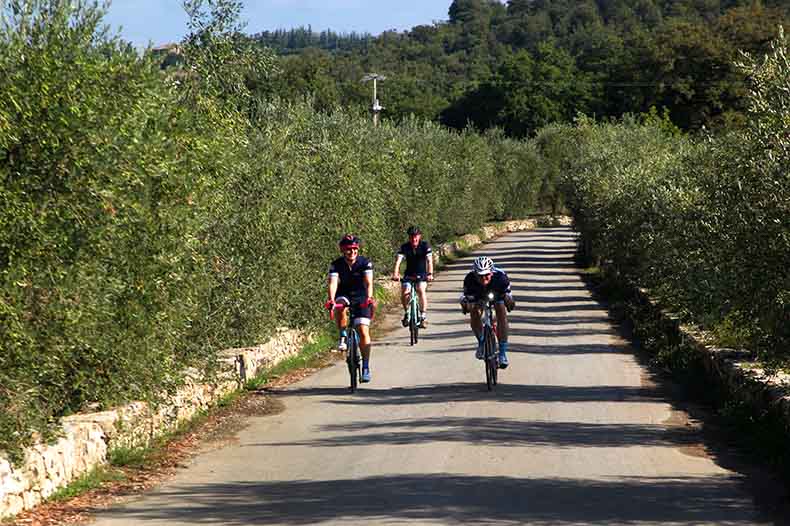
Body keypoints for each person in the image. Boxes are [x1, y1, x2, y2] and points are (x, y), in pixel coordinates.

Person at [326, 234, 376, 382]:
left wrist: (369, 297)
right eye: (348, 249)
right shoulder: (336, 264)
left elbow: (368, 282)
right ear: (343, 250)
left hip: (362, 296)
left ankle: (366, 366)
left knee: (363, 330)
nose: (352, 252)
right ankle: (342, 335)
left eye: (355, 249)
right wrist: (331, 300)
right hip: (345, 294)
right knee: (340, 306)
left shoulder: (365, 263)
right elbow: (333, 283)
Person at [460, 256, 515, 368]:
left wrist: (509, 302)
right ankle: (481, 342)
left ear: (492, 272)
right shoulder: (469, 279)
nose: (483, 278)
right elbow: (465, 300)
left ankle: (502, 353)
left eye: (486, 275)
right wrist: (466, 305)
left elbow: (510, 302)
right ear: (475, 274)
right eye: (480, 275)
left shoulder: (501, 278)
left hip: (497, 294)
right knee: (474, 311)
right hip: (478, 295)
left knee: (501, 309)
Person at [391, 226, 434, 328]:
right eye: (411, 237)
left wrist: (430, 274)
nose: (413, 239)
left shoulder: (425, 246)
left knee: (420, 290)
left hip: (422, 274)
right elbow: (398, 261)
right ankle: (407, 313)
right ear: (409, 237)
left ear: (419, 236)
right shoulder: (405, 247)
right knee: (405, 292)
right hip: (409, 275)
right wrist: (395, 274)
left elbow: (429, 261)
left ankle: (423, 317)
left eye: (415, 236)